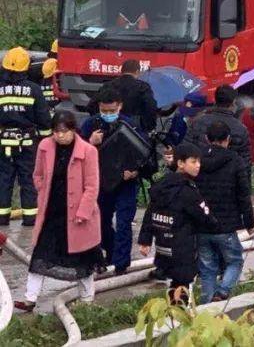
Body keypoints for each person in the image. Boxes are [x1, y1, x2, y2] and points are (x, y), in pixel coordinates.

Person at [13, 111, 100, 312]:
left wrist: (83, 212)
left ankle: (87, 298)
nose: (60, 136)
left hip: (77, 215)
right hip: (51, 211)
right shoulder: (45, 146)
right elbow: (37, 174)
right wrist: (42, 189)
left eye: (64, 131)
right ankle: (29, 298)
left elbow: (92, 186)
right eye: (56, 131)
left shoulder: (88, 151)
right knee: (40, 255)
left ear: (73, 130)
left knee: (82, 258)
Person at [80, 86, 154, 276]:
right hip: (100, 182)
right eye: (104, 111)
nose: (108, 114)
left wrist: (135, 171)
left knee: (123, 223)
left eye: (112, 111)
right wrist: (90, 142)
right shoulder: (90, 125)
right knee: (100, 222)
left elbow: (146, 154)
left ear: (120, 106)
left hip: (126, 183)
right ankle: (111, 252)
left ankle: (121, 264)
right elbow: (76, 153)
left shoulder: (131, 126)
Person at [138, 142, 218, 304]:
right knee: (183, 284)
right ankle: (179, 313)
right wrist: (215, 225)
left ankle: (173, 310)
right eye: (193, 161)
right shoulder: (188, 191)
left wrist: (145, 240)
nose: (198, 165)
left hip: (163, 245)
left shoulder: (162, 186)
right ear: (180, 163)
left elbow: (150, 212)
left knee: (174, 283)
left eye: (199, 161)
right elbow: (204, 216)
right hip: (183, 247)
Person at [195, 122, 254, 304]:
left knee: (207, 268)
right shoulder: (235, 160)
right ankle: (222, 292)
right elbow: (244, 195)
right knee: (234, 261)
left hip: (201, 224)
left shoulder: (196, 161)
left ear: (207, 139)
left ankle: (207, 305)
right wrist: (249, 223)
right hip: (226, 225)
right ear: (228, 139)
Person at [0, 47, 51, 227]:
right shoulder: (34, 89)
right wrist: (46, 139)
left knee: (4, 179)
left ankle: (2, 217)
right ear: (26, 67)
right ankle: (30, 217)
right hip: (27, 143)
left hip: (3, 142)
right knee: (28, 179)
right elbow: (43, 118)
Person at [187, 86, 251, 168]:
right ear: (233, 102)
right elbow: (244, 160)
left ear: (215, 99)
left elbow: (187, 147)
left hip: (199, 170)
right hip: (228, 172)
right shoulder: (240, 129)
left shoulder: (198, 121)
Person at [103, 60, 158, 135]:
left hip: (111, 128)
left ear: (121, 71)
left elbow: (92, 105)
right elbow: (151, 106)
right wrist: (149, 127)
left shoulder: (108, 85)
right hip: (134, 130)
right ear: (137, 72)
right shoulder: (143, 87)